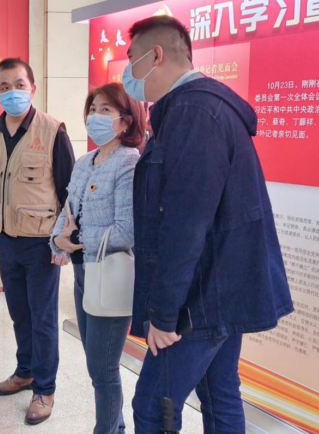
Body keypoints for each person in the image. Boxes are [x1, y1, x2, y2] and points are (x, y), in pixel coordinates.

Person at [124, 17, 294, 433]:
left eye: (131, 59)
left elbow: (185, 224)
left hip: (200, 298)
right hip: (218, 289)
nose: (127, 72)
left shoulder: (193, 113)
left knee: (153, 405)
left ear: (156, 56)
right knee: (220, 394)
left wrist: (163, 315)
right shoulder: (196, 109)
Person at [0, 58, 75, 425]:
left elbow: (69, 191)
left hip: (42, 242)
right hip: (5, 239)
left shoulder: (52, 131)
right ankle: (26, 371)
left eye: (19, 84)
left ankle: (44, 390)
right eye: (4, 86)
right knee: (19, 313)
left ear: (33, 88)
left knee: (43, 317)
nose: (12, 91)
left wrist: (65, 241)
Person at [50, 82, 146, 434]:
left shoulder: (129, 162)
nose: (95, 116)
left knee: (103, 370)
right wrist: (57, 241)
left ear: (125, 120)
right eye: (92, 109)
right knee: (95, 366)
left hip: (110, 274)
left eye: (106, 110)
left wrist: (76, 240)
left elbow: (126, 230)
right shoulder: (84, 162)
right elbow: (67, 211)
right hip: (82, 273)